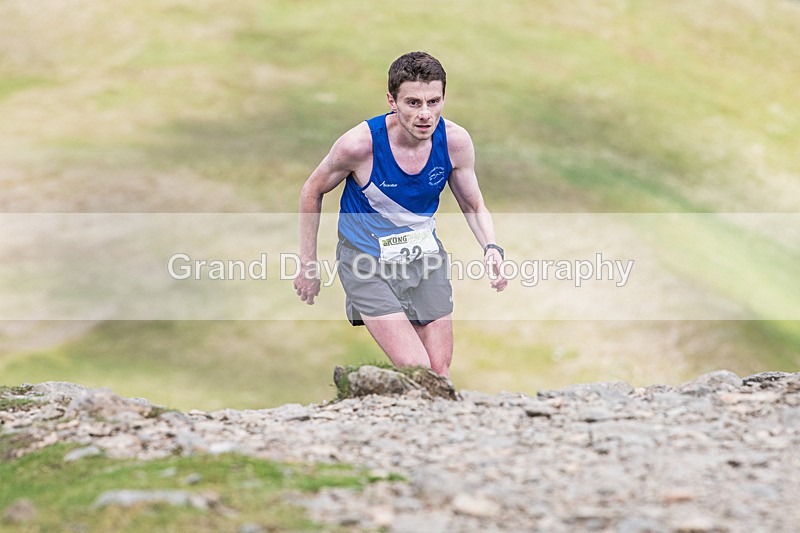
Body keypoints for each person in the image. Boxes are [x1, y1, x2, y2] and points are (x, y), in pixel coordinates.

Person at [294, 51, 507, 378]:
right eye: (413, 103)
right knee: (418, 369)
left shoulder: (454, 142)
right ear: (392, 100)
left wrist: (492, 247)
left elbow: (473, 202)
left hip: (424, 260)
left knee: (439, 371)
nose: (425, 114)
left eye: (434, 102)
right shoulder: (359, 146)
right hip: (366, 264)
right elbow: (312, 191)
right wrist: (307, 264)